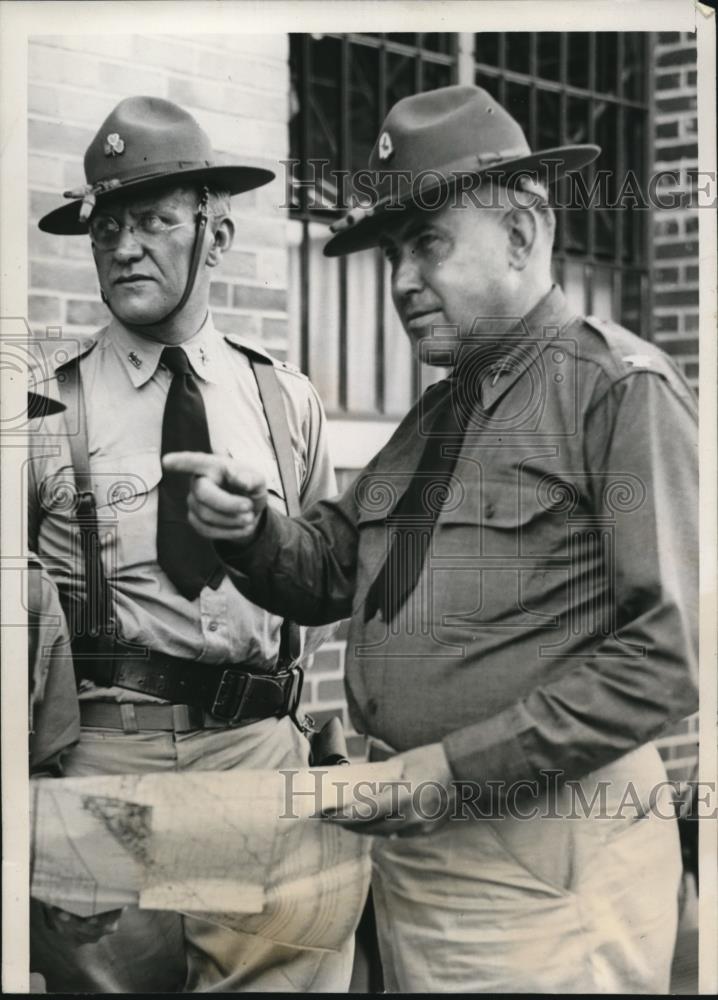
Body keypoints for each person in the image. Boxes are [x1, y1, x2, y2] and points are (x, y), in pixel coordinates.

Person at [168, 85, 699, 993]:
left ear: (523, 235)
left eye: (429, 244)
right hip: (420, 856)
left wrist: (446, 772)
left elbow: (667, 657)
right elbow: (333, 569)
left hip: (543, 861)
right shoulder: (438, 413)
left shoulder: (615, 391)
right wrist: (251, 529)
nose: (402, 281)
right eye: (392, 255)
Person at [28, 95, 350, 993]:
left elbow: (326, 579)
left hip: (257, 757)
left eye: (155, 222)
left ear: (218, 236)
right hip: (103, 762)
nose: (123, 247)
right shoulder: (42, 409)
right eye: (105, 228)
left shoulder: (284, 400)